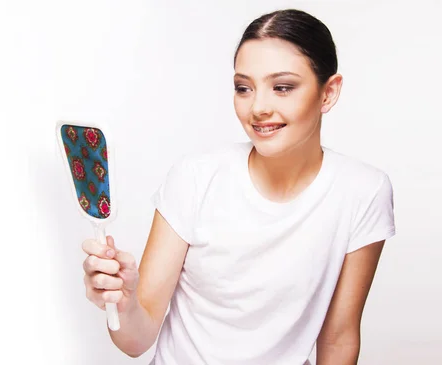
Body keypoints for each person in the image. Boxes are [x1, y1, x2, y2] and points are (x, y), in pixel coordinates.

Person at [81, 8, 396, 365]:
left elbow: (338, 340)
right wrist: (122, 300)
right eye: (244, 88)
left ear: (328, 92)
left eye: (282, 87)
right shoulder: (194, 179)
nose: (259, 107)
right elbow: (136, 341)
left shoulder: (362, 192)